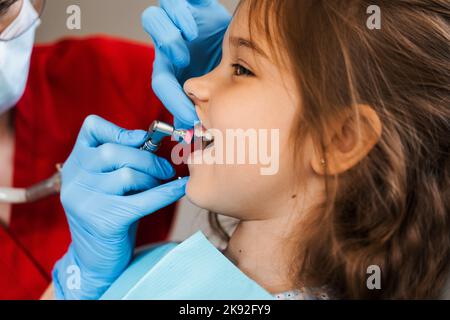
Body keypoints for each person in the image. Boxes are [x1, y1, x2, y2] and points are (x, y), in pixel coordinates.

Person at [53, 0, 449, 300]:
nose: (194, 86)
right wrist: (77, 284)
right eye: (220, 60)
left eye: (241, 68)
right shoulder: (157, 264)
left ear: (339, 139)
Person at [0, 0, 230, 299]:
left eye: (2, 7)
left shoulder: (110, 77)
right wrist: (74, 286)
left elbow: (284, 159)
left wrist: (227, 76)